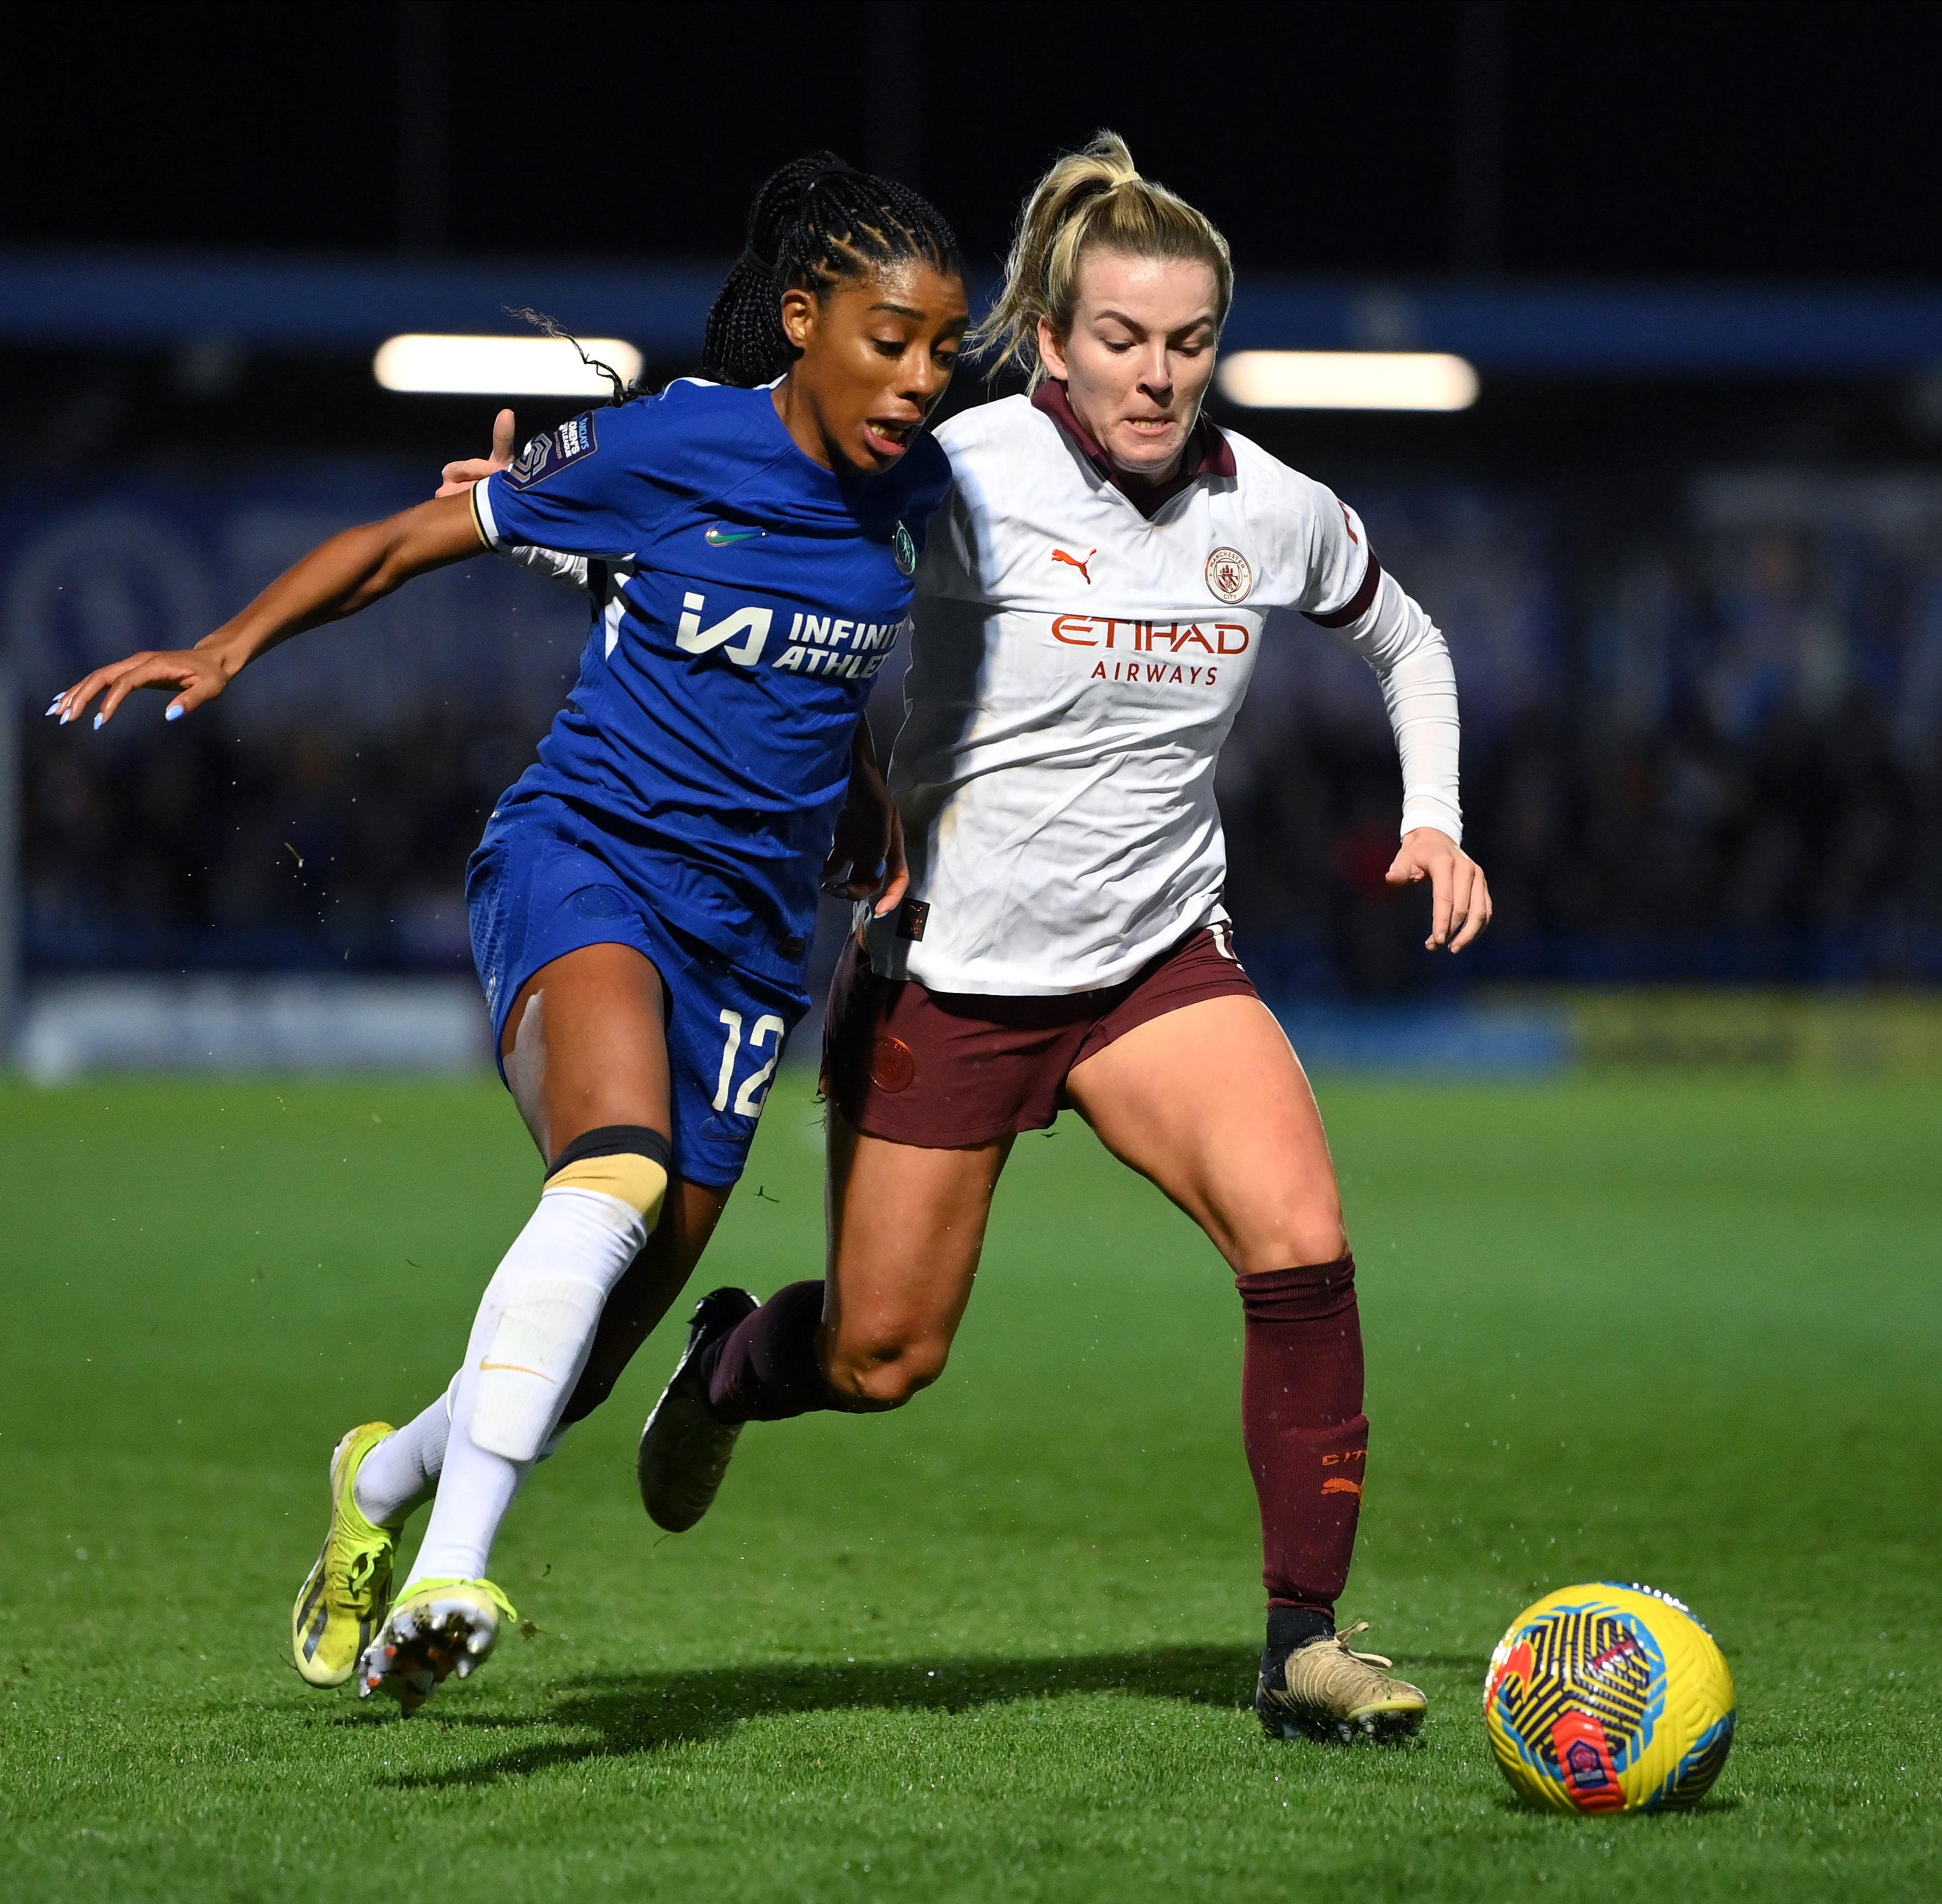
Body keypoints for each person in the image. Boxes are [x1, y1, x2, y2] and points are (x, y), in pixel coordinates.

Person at [49, 154, 963, 1712]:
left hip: (749, 952)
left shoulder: (917, 509)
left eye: (943, 349)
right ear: (800, 322)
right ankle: (454, 1570)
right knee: (610, 1170)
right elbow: (419, 538)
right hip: (584, 860)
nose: (919, 378)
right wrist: (229, 643)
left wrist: (863, 790)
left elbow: (806, 672)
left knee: (591, 1357)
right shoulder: (679, 442)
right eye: (890, 340)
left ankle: (379, 1477)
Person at [634, 132, 1491, 1747]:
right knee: (884, 1359)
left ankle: (1303, 1646)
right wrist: (534, 500)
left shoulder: (1271, 507)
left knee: (1300, 1243)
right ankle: (734, 1363)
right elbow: (746, 538)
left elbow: (1405, 634)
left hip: (1155, 965)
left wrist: (1430, 814)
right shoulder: (958, 473)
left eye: (1185, 342)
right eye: (1120, 339)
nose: (1156, 374)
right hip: (946, 981)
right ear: (1047, 341)